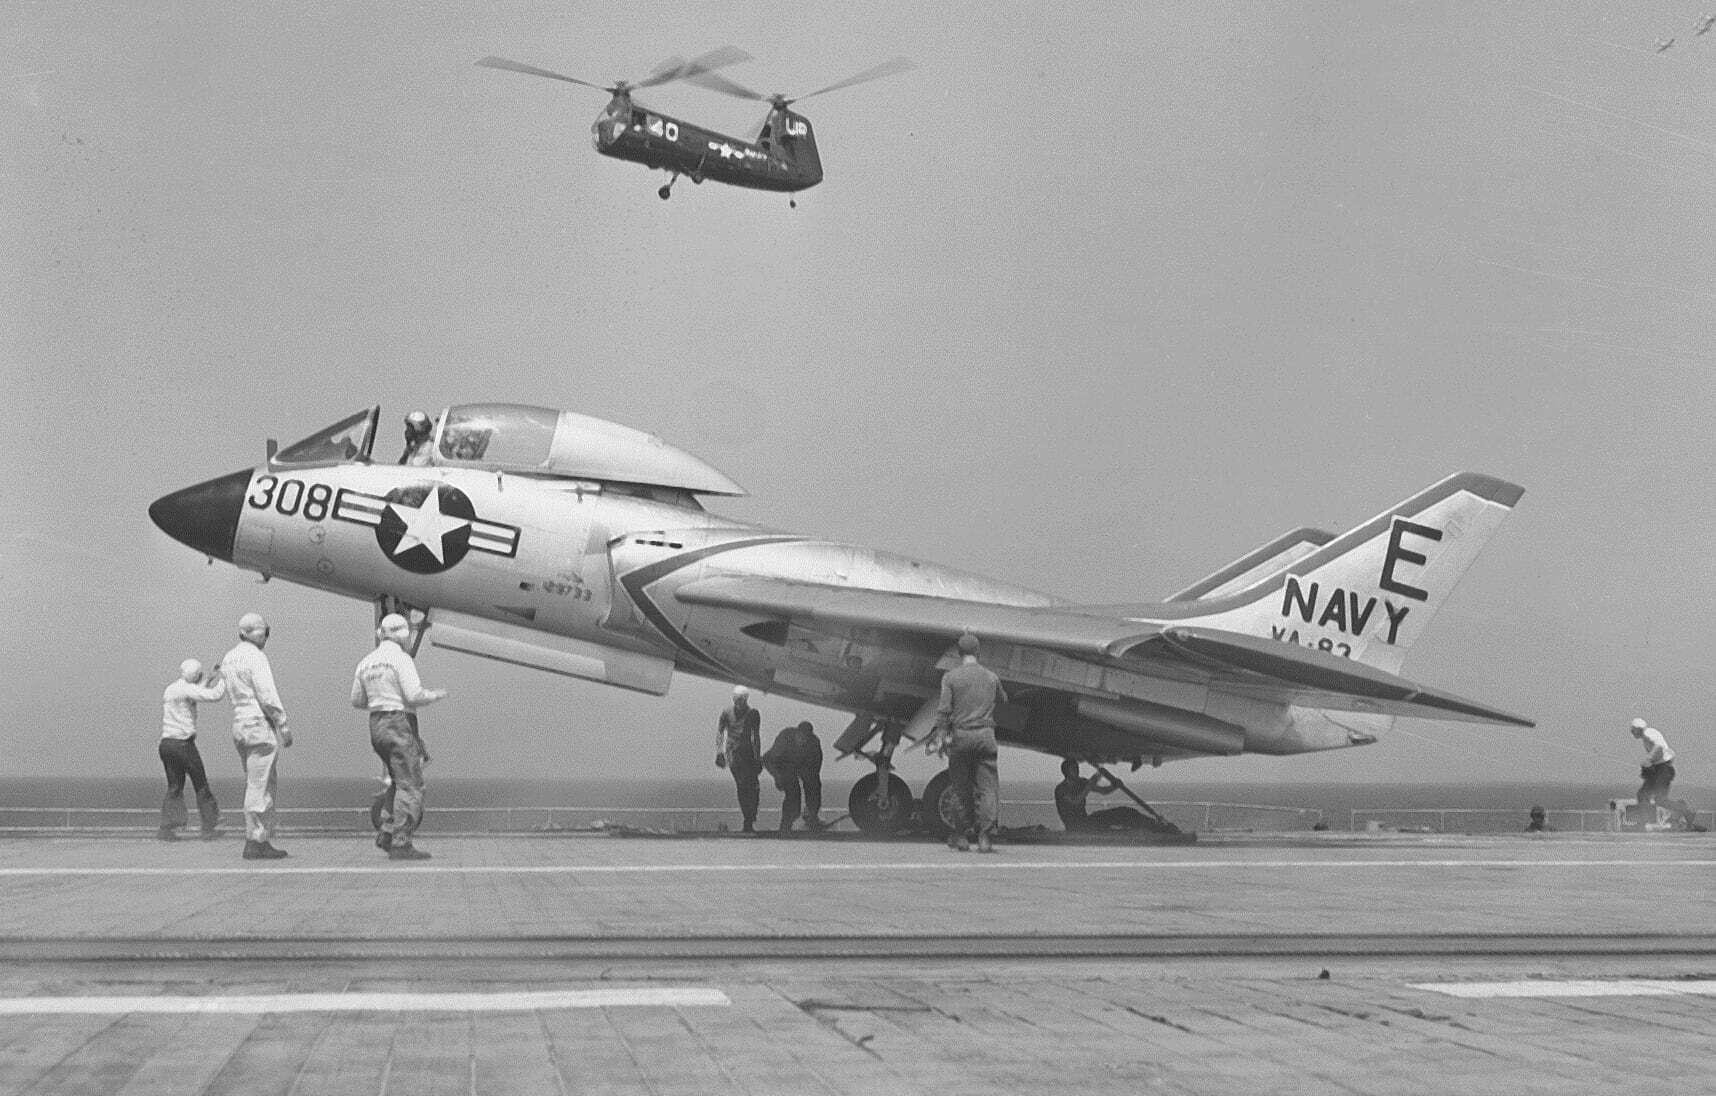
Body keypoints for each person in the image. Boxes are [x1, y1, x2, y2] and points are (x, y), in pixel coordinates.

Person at [351, 613, 448, 860]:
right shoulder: (401, 659)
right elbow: (414, 695)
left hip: (376, 724)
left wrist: (379, 699)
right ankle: (401, 841)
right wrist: (435, 695)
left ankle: (386, 832)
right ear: (403, 636)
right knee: (411, 784)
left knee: (397, 779)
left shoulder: (366, 662)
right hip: (399, 721)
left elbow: (357, 700)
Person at [925, 633, 1006, 853]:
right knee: (988, 788)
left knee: (961, 787)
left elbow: (943, 711)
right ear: (978, 652)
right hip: (986, 736)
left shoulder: (950, 678)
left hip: (962, 736)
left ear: (959, 653)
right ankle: (985, 837)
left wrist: (940, 736)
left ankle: (961, 836)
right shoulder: (991, 677)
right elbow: (1003, 698)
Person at [220, 613, 292, 860]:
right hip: (258, 724)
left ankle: (257, 837)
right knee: (261, 785)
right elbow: (266, 694)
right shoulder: (256, 657)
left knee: (254, 781)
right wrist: (283, 724)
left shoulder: (229, 658)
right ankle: (256, 840)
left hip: (239, 724)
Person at [157, 658, 224, 841]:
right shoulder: (188, 690)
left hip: (166, 744)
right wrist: (225, 678)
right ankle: (209, 826)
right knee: (200, 784)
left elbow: (196, 690)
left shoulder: (171, 689)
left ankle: (167, 828)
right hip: (184, 745)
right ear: (195, 675)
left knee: (175, 786)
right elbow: (213, 695)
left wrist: (211, 677)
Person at [1053, 759, 1152, 833]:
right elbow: (1075, 801)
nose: (1077, 770)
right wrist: (1089, 786)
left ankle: (1154, 825)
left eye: (1077, 768)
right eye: (1073, 769)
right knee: (1112, 829)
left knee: (1124, 811)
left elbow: (1103, 791)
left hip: (1086, 821)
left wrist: (1115, 786)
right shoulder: (1061, 789)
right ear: (1066, 772)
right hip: (1075, 827)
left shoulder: (1082, 782)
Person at [716, 686, 762, 833]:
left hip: (748, 753)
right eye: (736, 699)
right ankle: (747, 818)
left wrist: (757, 757)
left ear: (746, 699)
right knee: (742, 785)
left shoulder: (753, 714)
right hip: (734, 753)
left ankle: (751, 816)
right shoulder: (726, 713)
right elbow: (720, 732)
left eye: (741, 700)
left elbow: (756, 736)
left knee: (753, 786)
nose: (738, 702)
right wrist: (719, 752)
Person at [763, 721, 823, 833]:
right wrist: (777, 777)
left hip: (803, 765)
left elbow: (816, 765)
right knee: (793, 794)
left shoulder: (814, 742)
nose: (803, 740)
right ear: (797, 733)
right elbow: (768, 759)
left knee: (814, 786)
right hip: (783, 765)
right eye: (801, 737)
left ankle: (812, 817)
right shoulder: (785, 738)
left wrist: (812, 807)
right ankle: (786, 823)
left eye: (806, 738)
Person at [1631, 717, 1676, 804]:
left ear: (1638, 729)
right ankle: (1646, 816)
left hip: (1663, 770)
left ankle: (1684, 810)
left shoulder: (1648, 734)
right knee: (1643, 795)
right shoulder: (1647, 736)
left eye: (1633, 730)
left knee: (1660, 799)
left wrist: (1649, 759)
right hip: (1659, 769)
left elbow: (1659, 747)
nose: (1632, 733)